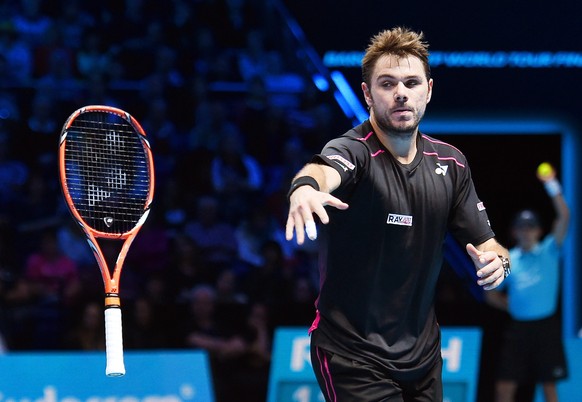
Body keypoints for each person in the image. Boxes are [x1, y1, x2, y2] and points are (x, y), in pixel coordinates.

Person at [285, 26, 510, 401]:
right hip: (351, 353)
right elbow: (323, 171)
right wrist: (304, 189)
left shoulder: (451, 164)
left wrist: (497, 265)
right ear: (367, 94)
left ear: (429, 90)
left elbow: (489, 245)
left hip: (422, 356)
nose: (401, 93)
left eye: (411, 82)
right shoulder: (354, 150)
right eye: (387, 84)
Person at [485, 164, 569, 402]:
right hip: (518, 330)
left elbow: (565, 216)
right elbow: (490, 294)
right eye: (522, 228)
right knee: (504, 387)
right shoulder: (508, 259)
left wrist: (551, 184)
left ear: (539, 231)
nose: (526, 232)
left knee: (549, 388)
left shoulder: (550, 250)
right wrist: (509, 306)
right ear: (514, 232)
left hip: (546, 328)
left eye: (530, 228)